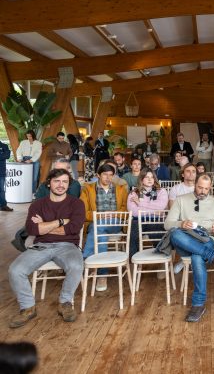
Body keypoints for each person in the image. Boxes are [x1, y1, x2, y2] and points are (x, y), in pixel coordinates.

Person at [8, 168, 86, 328]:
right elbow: (32, 230)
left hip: (68, 245)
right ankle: (27, 307)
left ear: (68, 184)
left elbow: (73, 228)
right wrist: (60, 221)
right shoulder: (37, 205)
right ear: (49, 183)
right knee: (15, 270)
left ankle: (65, 303)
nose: (60, 185)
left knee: (77, 265)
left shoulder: (77, 204)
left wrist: (44, 225)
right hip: (41, 245)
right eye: (56, 181)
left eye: (65, 181)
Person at [165, 173, 214, 322]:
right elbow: (167, 224)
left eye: (206, 189)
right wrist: (180, 224)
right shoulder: (181, 200)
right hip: (185, 239)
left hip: (206, 238)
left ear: (210, 188)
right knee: (174, 234)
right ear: (195, 185)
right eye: (200, 187)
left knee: (197, 256)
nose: (202, 191)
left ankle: (198, 304)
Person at [80, 163, 128, 291]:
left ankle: (85, 258)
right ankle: (102, 274)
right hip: (95, 223)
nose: (108, 178)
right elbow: (83, 213)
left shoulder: (121, 189)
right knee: (100, 232)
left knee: (98, 227)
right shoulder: (88, 189)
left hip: (115, 223)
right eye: (105, 175)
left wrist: (113, 214)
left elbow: (125, 210)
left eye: (111, 175)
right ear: (98, 175)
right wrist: (100, 216)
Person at [126, 168, 169, 257]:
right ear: (141, 179)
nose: (150, 179)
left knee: (158, 233)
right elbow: (133, 212)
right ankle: (134, 259)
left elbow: (160, 207)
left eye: (152, 177)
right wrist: (155, 211)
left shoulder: (161, 191)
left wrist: (140, 203)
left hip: (155, 220)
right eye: (146, 177)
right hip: (138, 221)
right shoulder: (134, 193)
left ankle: (160, 257)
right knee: (133, 234)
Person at [0, 139, 12, 212]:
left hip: (1, 172)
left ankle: (3, 205)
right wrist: (2, 155)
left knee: (1, 189)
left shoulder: (4, 146)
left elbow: (7, 156)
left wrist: (3, 155)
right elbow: (4, 155)